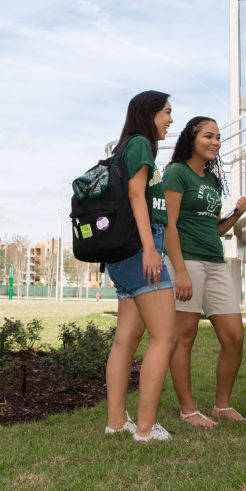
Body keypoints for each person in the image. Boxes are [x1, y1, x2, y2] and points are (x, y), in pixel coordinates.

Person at [163, 116, 246, 428]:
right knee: (184, 337)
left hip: (215, 262)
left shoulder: (213, 180)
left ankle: (221, 405)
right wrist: (180, 270)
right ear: (192, 138)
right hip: (186, 261)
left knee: (234, 337)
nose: (215, 142)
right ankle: (188, 410)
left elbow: (215, 229)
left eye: (218, 137)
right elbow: (168, 225)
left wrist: (238, 213)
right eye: (208, 136)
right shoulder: (176, 172)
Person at [103, 90, 179, 442]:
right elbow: (137, 195)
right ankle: (146, 430)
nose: (170, 119)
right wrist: (151, 249)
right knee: (164, 338)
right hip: (139, 250)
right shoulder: (140, 145)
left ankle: (117, 422)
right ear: (148, 114)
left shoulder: (125, 147)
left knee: (126, 340)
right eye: (166, 112)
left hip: (122, 254)